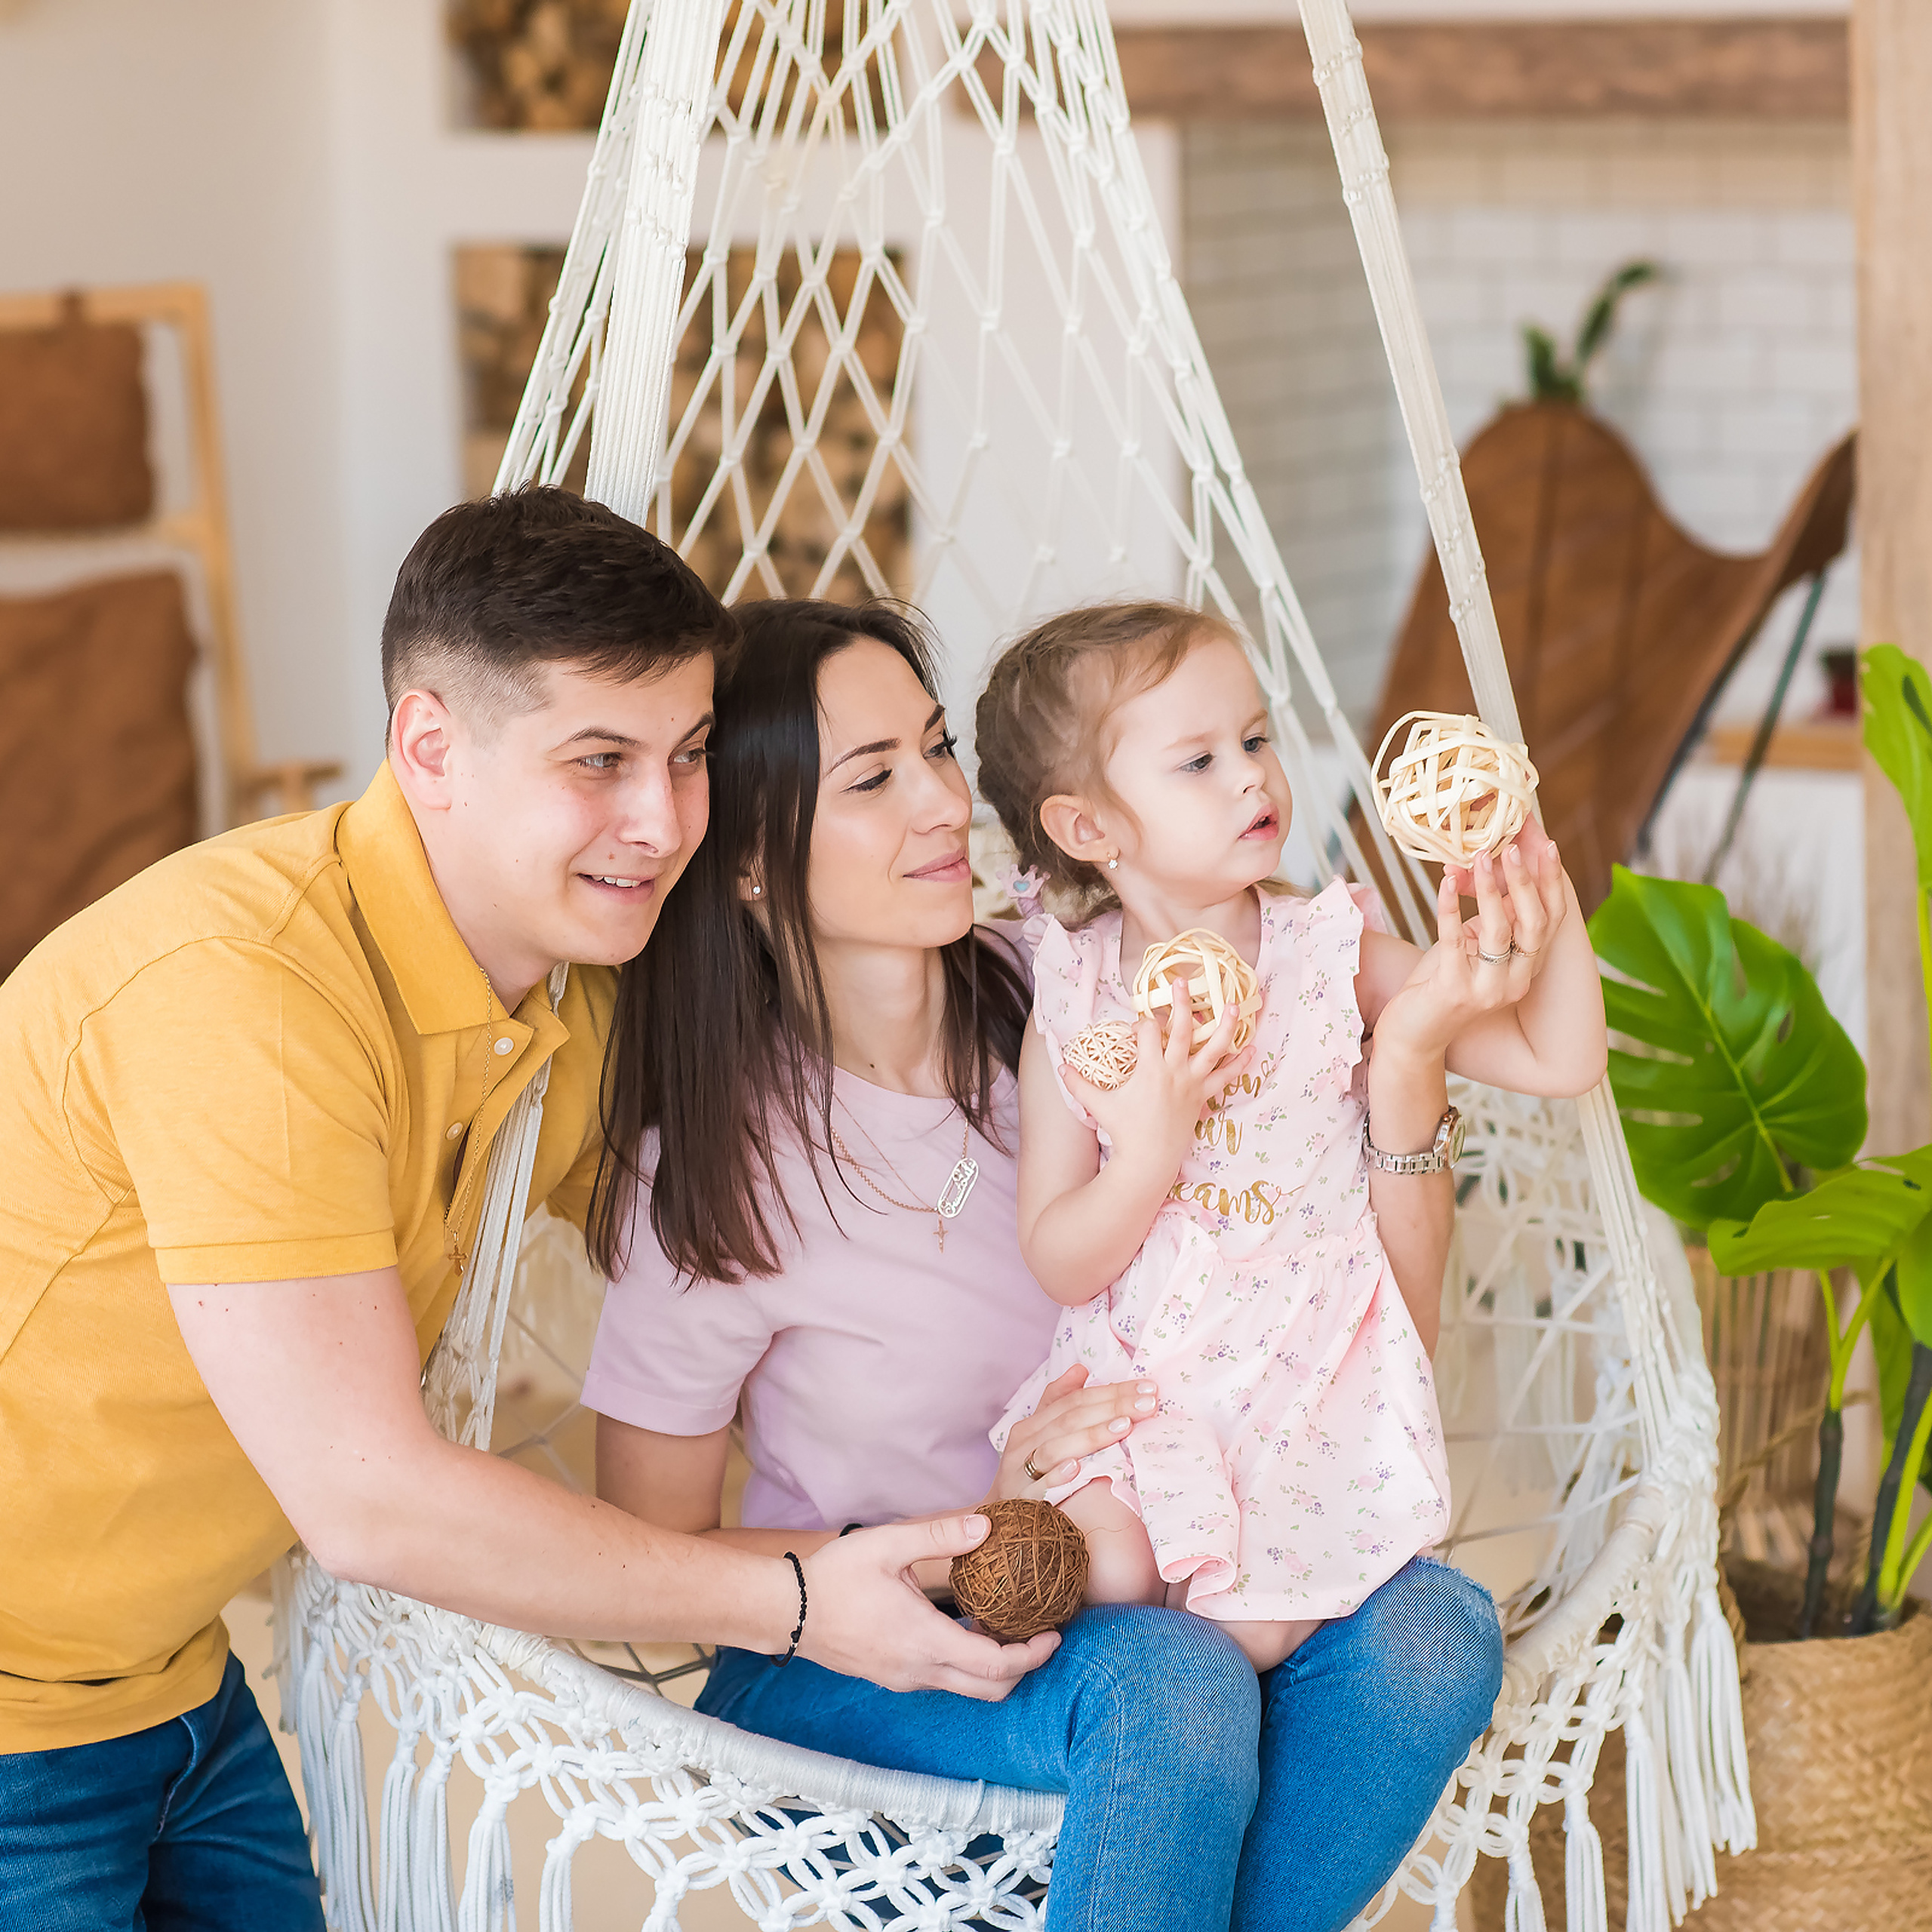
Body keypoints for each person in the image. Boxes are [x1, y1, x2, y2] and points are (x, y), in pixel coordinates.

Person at [0, 493, 1041, 1932]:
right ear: (430, 748)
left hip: (168, 1682)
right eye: (598, 761)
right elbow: (369, 1498)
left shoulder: (576, 998)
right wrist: (800, 1602)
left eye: (688, 757)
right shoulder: (243, 992)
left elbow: (797, 1244)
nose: (662, 823)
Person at [583, 597, 1508, 1932]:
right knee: (1171, 1684)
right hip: (861, 1655)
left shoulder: (1101, 995)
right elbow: (653, 1557)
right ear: (745, 863)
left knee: (1434, 1634)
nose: (942, 803)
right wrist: (973, 1541)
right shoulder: (716, 1178)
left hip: (1160, 1579)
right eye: (873, 779)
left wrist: (1410, 1069)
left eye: (939, 748)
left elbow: (1355, 1293)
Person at [974, 601, 1608, 1672]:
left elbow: (1560, 1058)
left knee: (1252, 1630)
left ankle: (1223, 1709)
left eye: (1257, 739)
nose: (1252, 777)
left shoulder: (1327, 954)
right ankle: (1130, 1715)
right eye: (1200, 761)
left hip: (1303, 1386)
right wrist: (1153, 1151)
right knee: (1109, 1569)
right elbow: (1060, 1256)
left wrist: (1542, 888)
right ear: (1089, 830)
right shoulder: (1076, 999)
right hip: (1139, 1389)